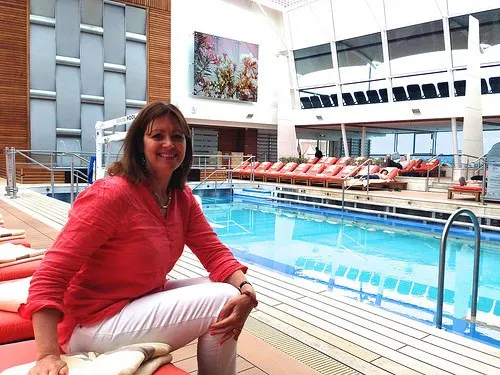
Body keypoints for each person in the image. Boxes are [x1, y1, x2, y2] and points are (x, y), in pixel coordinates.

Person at [19, 102, 257, 375]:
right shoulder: (111, 195)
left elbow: (214, 252)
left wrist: (247, 289)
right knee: (222, 299)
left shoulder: (181, 199)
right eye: (157, 136)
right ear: (139, 144)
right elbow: (50, 274)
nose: (169, 143)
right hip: (92, 324)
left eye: (177, 136)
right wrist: (47, 355)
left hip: (136, 302)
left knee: (230, 291)